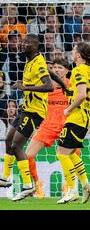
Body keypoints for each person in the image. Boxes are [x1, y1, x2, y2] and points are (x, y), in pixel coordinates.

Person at [0, 34, 67, 201]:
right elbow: (52, 74)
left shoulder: (37, 62)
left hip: (35, 111)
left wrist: (25, 86)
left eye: (28, 42)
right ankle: (5, 178)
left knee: (16, 146)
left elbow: (49, 86)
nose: (23, 44)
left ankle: (28, 186)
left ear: (36, 46)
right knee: (8, 141)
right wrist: (65, 86)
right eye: (23, 42)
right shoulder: (34, 61)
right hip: (26, 108)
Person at [25, 58, 70, 199]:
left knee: (74, 154)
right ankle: (37, 184)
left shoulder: (72, 84)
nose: (57, 70)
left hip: (66, 125)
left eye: (60, 68)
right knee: (28, 155)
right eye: (55, 67)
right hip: (48, 125)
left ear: (66, 71)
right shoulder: (44, 85)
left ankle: (67, 186)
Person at [55, 42, 90, 204]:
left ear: (78, 55)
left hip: (76, 117)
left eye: (74, 50)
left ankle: (72, 190)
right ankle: (86, 185)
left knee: (61, 152)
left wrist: (69, 109)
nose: (71, 52)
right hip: (83, 117)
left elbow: (82, 94)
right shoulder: (88, 70)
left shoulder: (78, 70)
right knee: (70, 153)